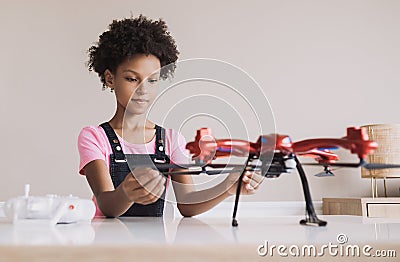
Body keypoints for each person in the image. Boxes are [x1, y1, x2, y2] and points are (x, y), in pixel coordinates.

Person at [78, 15, 263, 218]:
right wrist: (126, 192)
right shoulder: (95, 137)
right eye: (132, 79)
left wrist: (228, 187)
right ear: (110, 78)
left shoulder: (171, 140)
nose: (143, 90)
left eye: (152, 81)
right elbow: (107, 205)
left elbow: (186, 205)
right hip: (106, 244)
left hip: (157, 246)